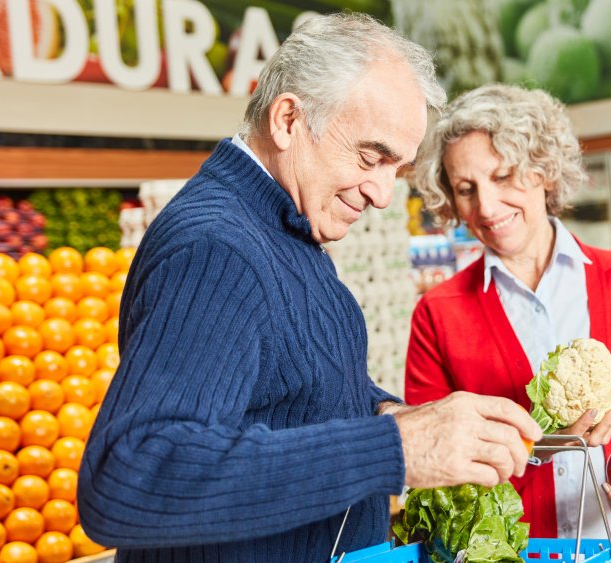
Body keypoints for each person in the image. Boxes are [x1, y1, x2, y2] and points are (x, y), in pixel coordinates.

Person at [78, 14, 541, 562]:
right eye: (371, 157)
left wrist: (391, 416)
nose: (383, 194)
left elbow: (287, 393)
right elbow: (130, 476)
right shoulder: (218, 248)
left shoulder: (283, 229)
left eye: (397, 168)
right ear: (289, 120)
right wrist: (395, 449)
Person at [405, 84, 611, 563]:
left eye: (504, 176)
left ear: (543, 170)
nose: (487, 208)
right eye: (466, 189)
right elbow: (432, 467)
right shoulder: (439, 314)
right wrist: (536, 443)